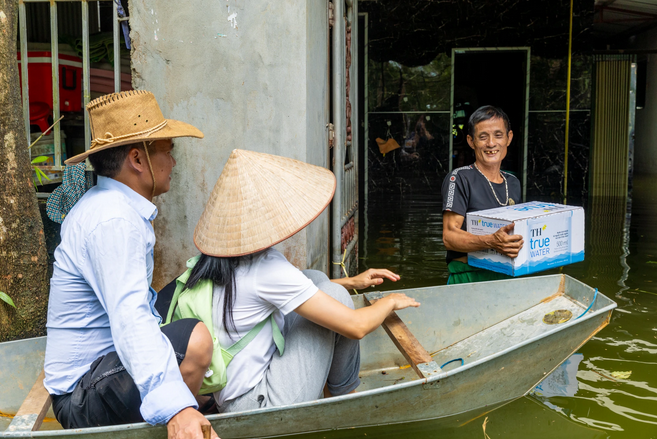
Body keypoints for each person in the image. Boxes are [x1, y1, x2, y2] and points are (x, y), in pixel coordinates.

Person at [164, 149, 420, 413]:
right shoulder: (265, 268)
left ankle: (334, 389)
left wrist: (353, 280)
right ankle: (344, 398)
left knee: (317, 278)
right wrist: (389, 302)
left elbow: (291, 288)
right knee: (336, 296)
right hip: (257, 403)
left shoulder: (218, 257)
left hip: (229, 390)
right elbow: (356, 326)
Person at [43, 90, 220, 439]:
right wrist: (177, 405)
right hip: (82, 394)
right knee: (196, 340)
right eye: (168, 151)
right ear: (138, 160)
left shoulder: (114, 207)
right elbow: (129, 317)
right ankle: (181, 418)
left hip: (103, 367)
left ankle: (188, 396)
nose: (173, 162)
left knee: (197, 282)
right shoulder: (113, 220)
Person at [441, 105, 524, 284]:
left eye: (498, 135)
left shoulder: (513, 182)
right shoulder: (460, 178)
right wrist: (491, 241)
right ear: (471, 141)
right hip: (468, 276)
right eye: (483, 137)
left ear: (509, 138)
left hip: (506, 276)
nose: (491, 143)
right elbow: (449, 236)